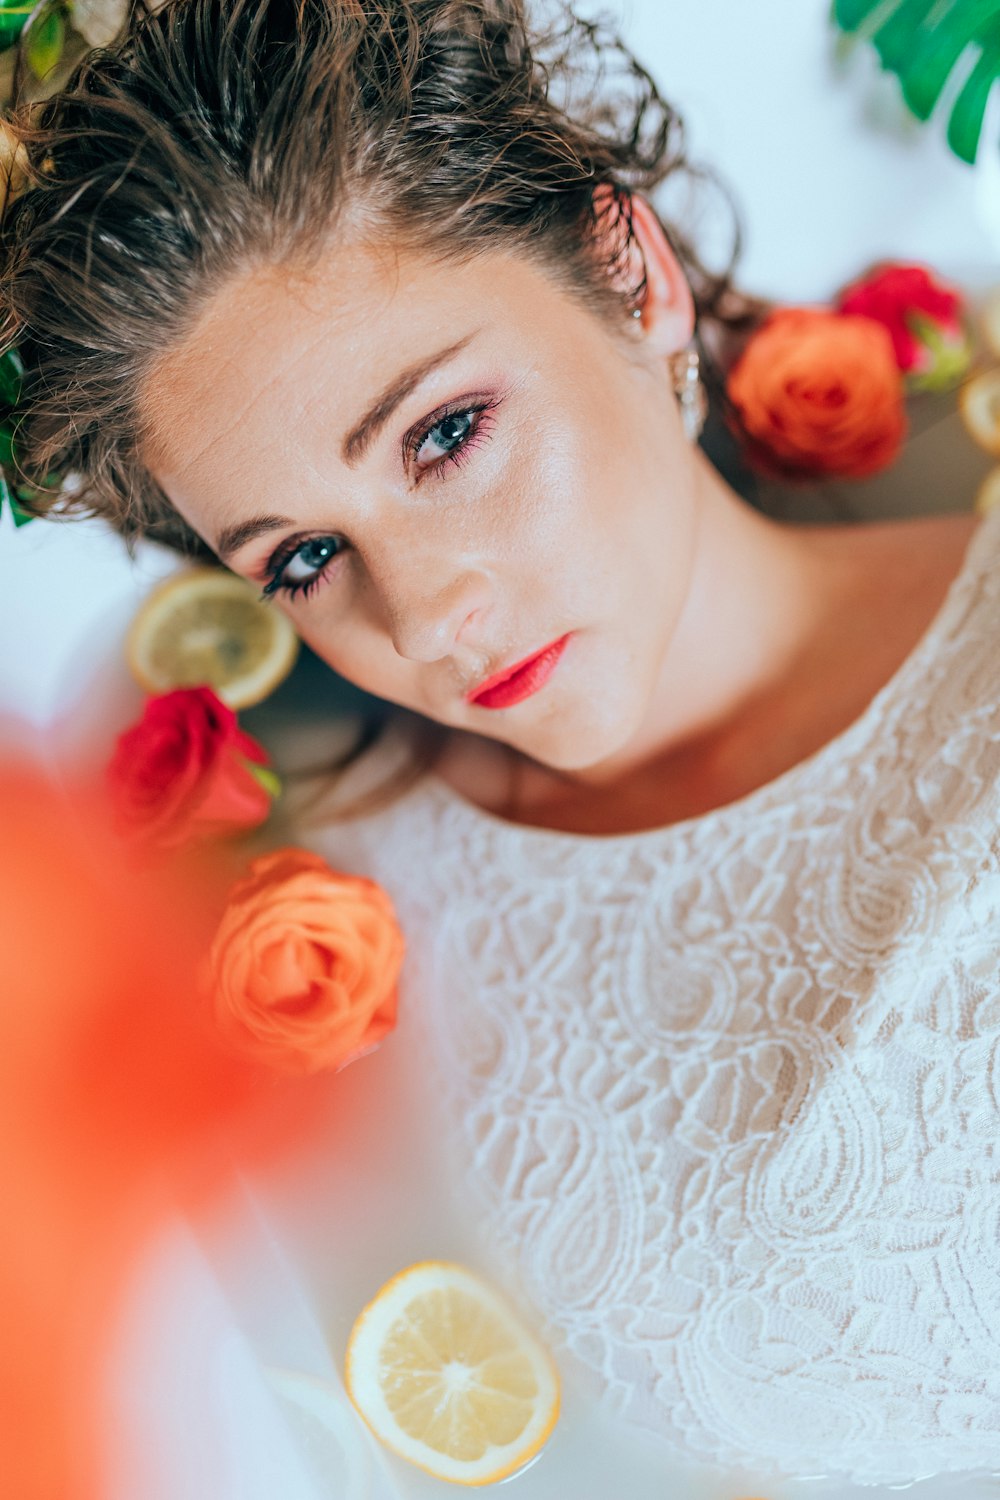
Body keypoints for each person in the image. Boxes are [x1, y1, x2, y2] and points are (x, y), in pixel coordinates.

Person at [4, 0, 1000, 1486]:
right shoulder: (322, 951)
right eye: (299, 560)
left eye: (446, 435)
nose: (424, 617)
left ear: (629, 273)